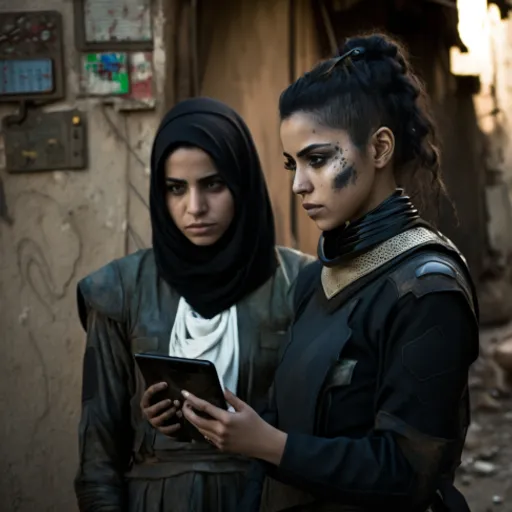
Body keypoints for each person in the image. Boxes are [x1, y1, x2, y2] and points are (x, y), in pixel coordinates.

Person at [181, 34, 480, 512]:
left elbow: (408, 474)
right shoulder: (314, 278)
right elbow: (288, 420)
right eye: (291, 164)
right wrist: (222, 422)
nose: (299, 184)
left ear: (380, 148)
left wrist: (269, 444)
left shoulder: (427, 289)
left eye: (317, 159)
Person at [74, 97, 313, 512]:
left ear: (242, 182)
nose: (195, 207)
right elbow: (98, 457)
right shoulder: (120, 289)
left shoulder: (299, 283)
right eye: (175, 189)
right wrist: (149, 426)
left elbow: (326, 431)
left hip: (267, 497)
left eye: (213, 184)